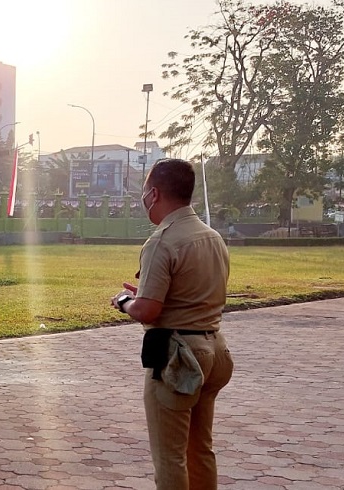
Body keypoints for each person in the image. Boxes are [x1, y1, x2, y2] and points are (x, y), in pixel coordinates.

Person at [111, 158, 234, 490]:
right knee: (199, 449)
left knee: (170, 457)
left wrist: (125, 302)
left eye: (143, 192)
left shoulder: (162, 240)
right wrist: (149, 295)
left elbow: (149, 311)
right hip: (214, 350)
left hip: (178, 357)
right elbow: (193, 291)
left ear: (154, 193)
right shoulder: (212, 237)